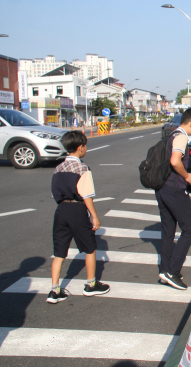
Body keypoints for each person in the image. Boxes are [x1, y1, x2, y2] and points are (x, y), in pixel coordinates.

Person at [48, 130, 110, 304]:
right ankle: (91, 284)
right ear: (80, 147)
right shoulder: (83, 168)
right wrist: (94, 216)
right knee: (90, 248)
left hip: (61, 210)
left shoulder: (58, 168)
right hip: (77, 210)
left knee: (59, 252)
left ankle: (54, 290)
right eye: (85, 146)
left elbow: (54, 193)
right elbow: (87, 195)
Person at [156, 108, 191, 290]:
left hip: (162, 187)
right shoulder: (181, 136)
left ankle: (164, 270)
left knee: (168, 231)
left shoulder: (171, 134)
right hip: (174, 188)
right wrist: (187, 176)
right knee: (189, 229)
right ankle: (172, 271)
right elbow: (175, 161)